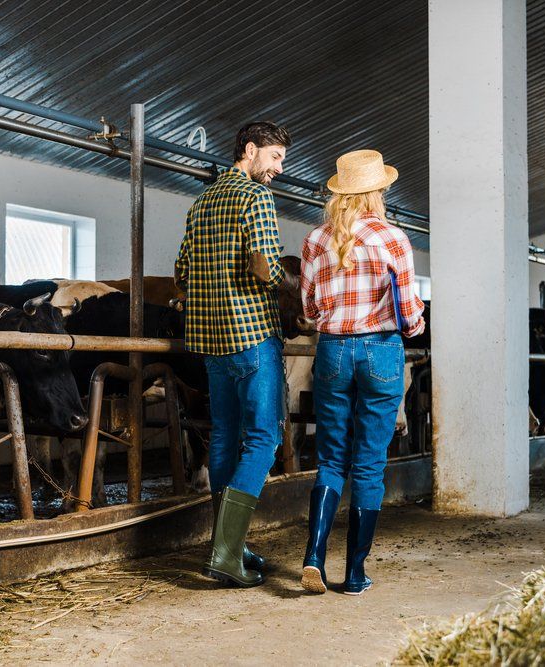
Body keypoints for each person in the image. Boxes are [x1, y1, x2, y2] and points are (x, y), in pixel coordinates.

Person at [298, 149, 425, 595]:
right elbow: (409, 315)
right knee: (369, 466)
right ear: (378, 192)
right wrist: (415, 322)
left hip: (332, 350)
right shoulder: (394, 239)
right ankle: (354, 574)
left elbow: (311, 310)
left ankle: (313, 557)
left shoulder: (316, 239)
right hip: (381, 352)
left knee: (330, 459)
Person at [174, 121, 293, 588]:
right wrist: (287, 283)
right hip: (251, 334)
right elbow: (266, 264)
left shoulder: (200, 202)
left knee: (224, 436)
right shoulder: (256, 198)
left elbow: (182, 272)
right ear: (250, 150)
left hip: (209, 341)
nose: (280, 168)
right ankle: (225, 554)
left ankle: (229, 545)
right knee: (265, 439)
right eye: (276, 157)